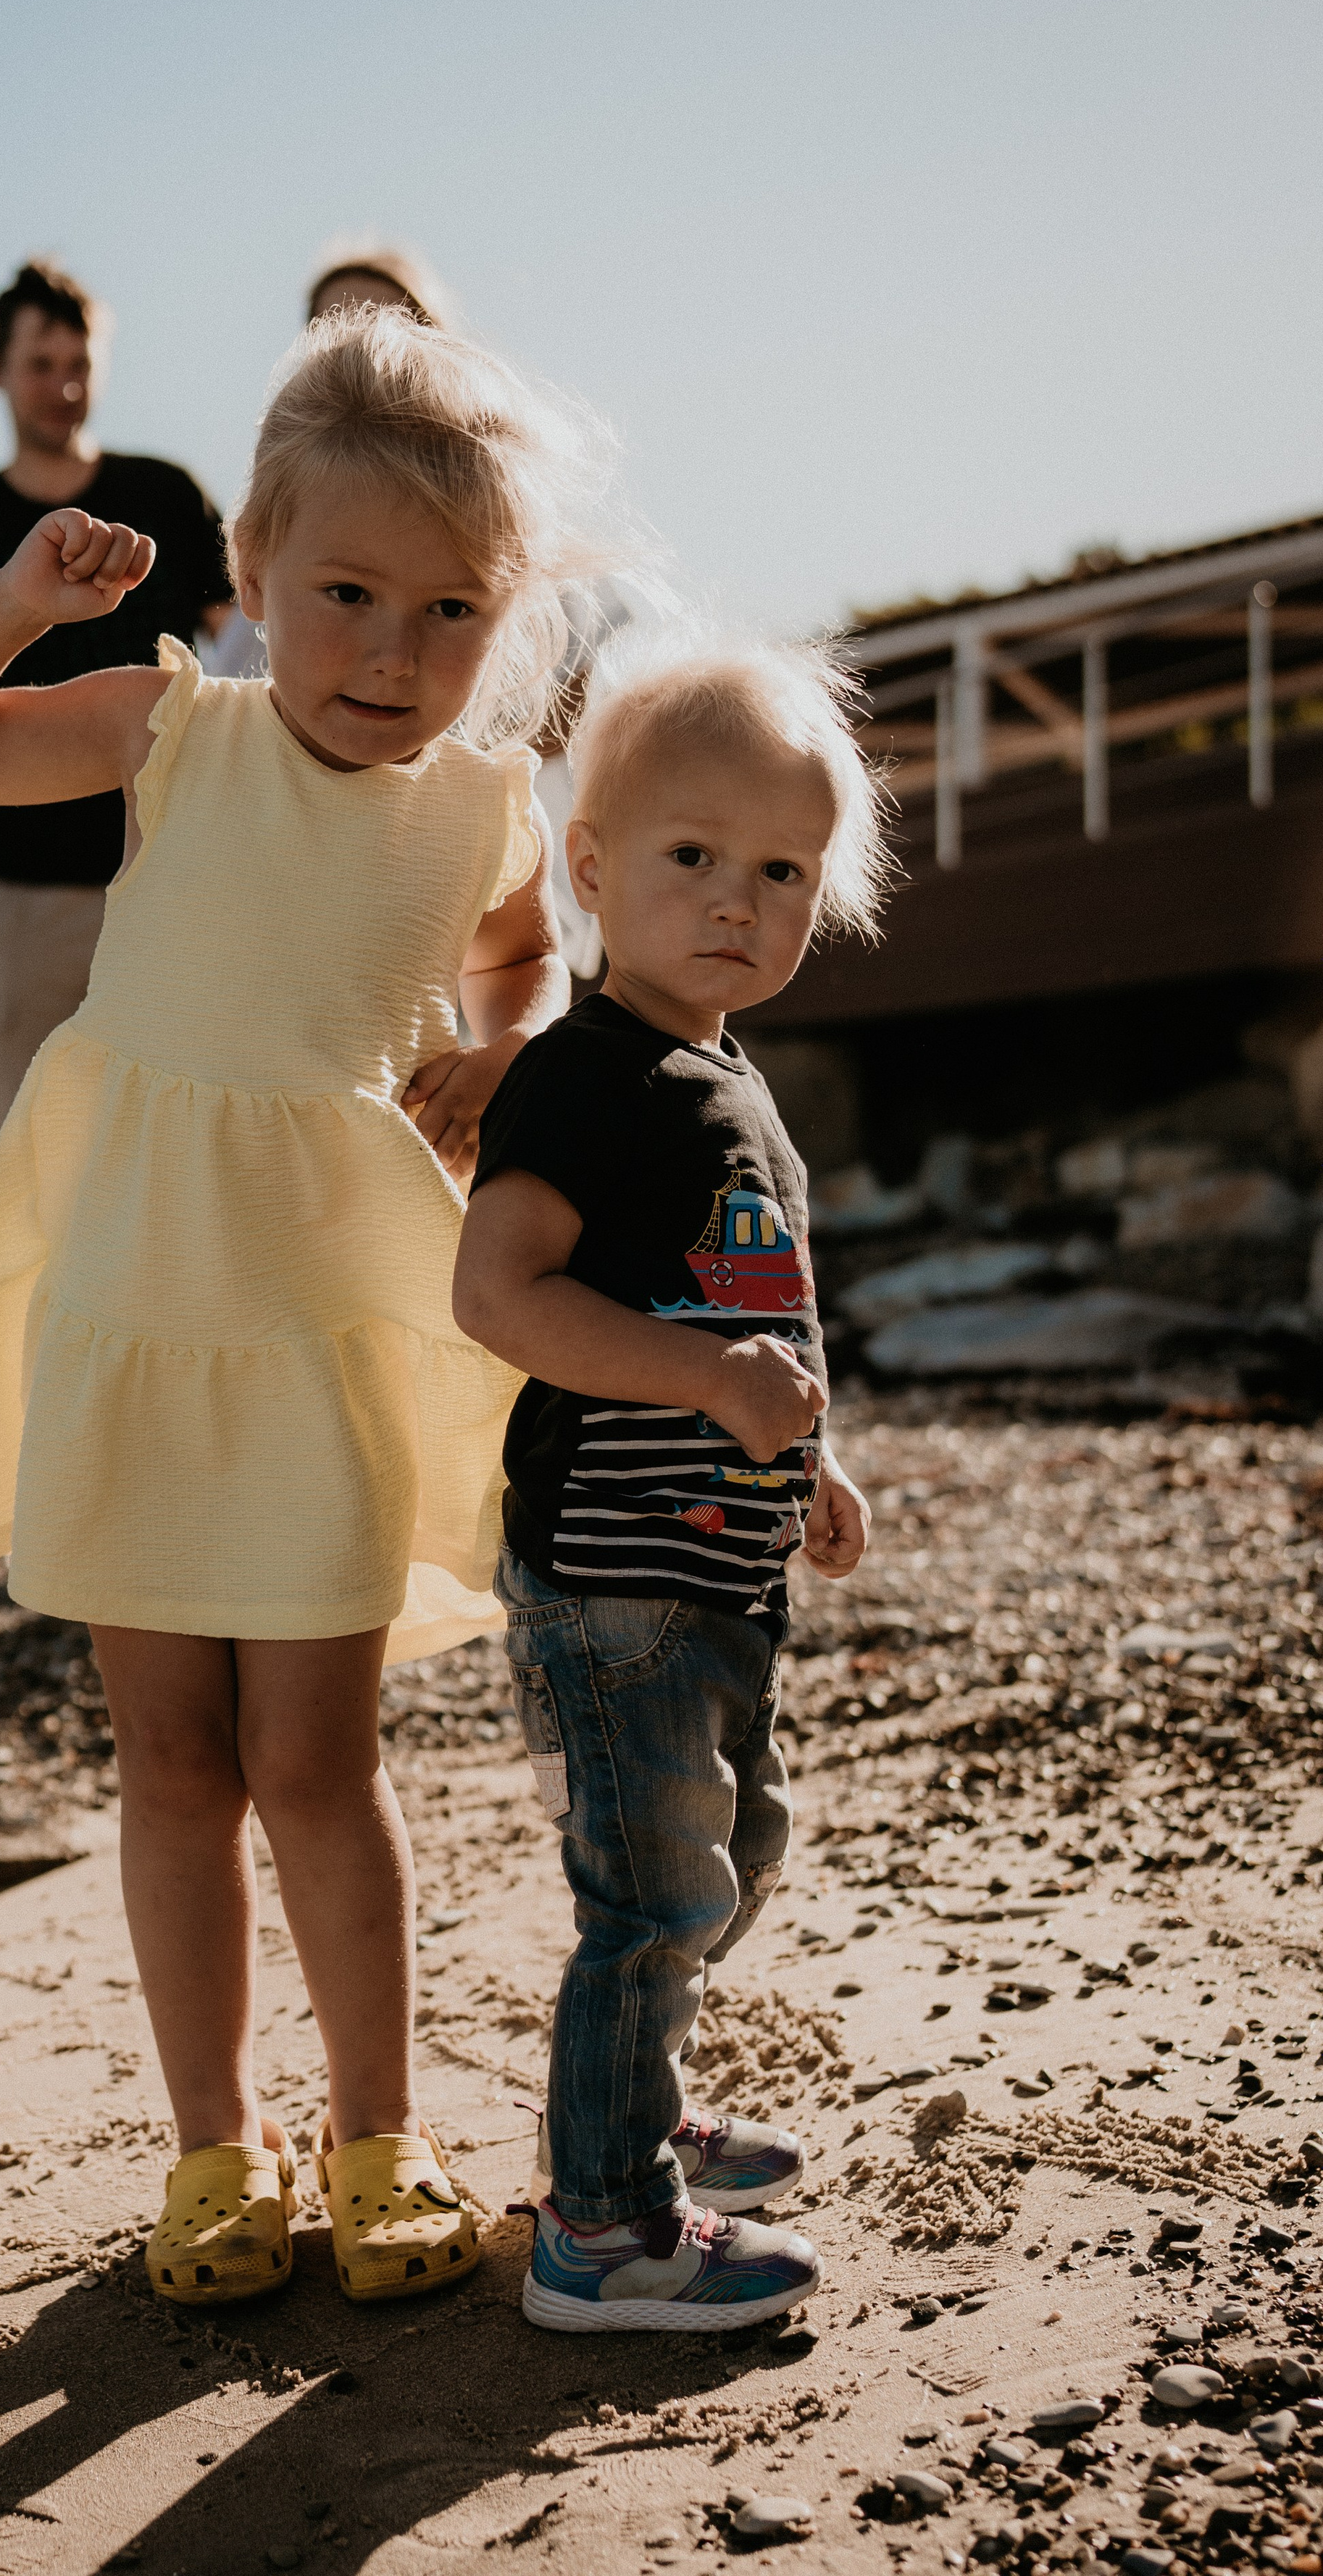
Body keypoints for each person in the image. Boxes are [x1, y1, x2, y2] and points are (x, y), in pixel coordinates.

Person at [0, 307, 630, 2312]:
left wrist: (498, 1051)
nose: (391, 652)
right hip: (137, 1292)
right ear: (253, 582)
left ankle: (379, 2136)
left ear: (508, 620)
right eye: (347, 596)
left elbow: (527, 968)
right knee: (171, 1761)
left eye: (450, 611)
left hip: (322, 1318)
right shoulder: (168, 727)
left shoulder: (480, 805)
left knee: (319, 1754)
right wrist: (19, 600)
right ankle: (216, 2154)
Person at [452, 635, 888, 2333]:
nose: (735, 899)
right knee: (651, 1889)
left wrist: (808, 1450)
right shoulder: (583, 1073)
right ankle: (600, 2228)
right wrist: (713, 1382)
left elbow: (745, 1311)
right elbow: (499, 1295)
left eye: (778, 869)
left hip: (714, 1562)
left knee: (730, 1849)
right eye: (690, 857)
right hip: (608, 1572)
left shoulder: (731, 1086)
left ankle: (632, 2108)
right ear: (587, 866)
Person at [0, 258, 232, 1142]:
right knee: (33, 1178)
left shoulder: (166, 494)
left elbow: (254, 646)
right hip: (23, 901)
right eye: (40, 364)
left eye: (79, 362)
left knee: (183, 1164)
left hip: (176, 886)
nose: (64, 385)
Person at [203, 241, 455, 683]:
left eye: (381, 324)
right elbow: (231, 692)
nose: (355, 346)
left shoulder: (492, 498)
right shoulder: (290, 520)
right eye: (330, 330)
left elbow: (592, 663)